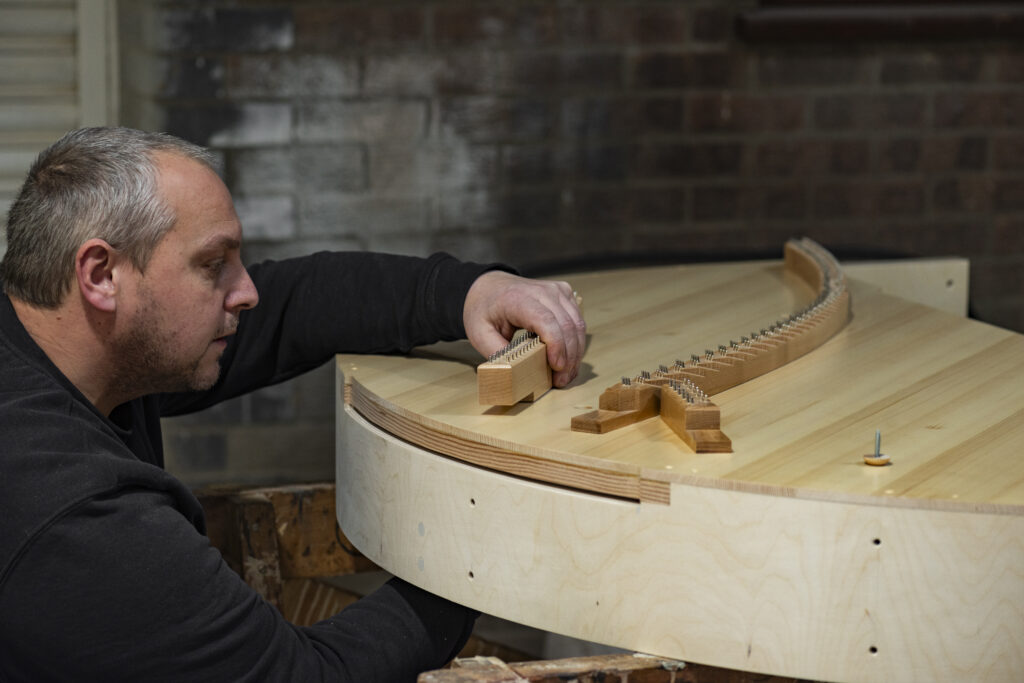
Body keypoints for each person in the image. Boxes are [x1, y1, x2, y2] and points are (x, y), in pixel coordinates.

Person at [0, 127, 586, 681]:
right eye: (212, 265)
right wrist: (476, 554)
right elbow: (305, 676)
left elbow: (292, 306)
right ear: (101, 274)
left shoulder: (65, 342)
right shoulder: (70, 509)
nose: (247, 290)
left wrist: (469, 293)